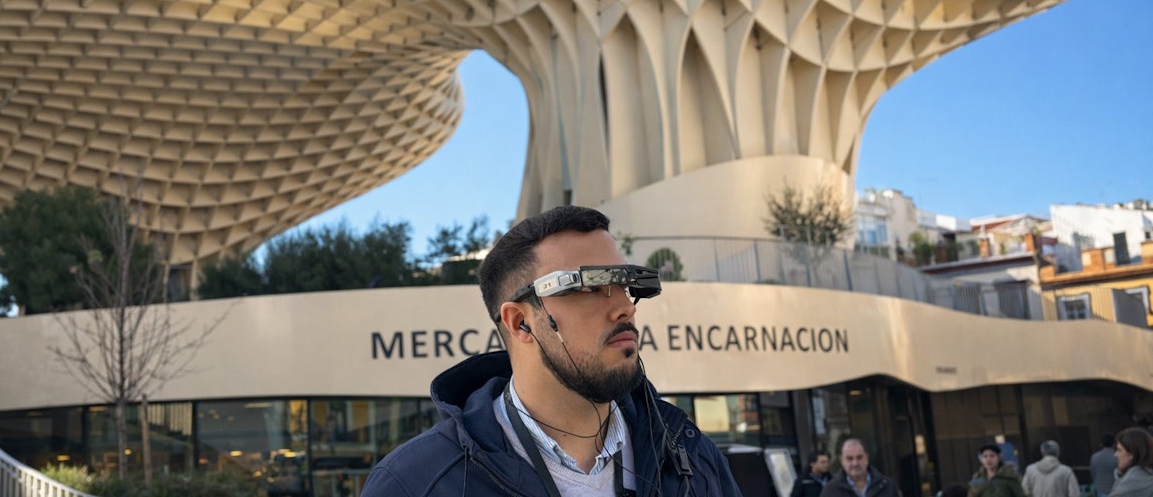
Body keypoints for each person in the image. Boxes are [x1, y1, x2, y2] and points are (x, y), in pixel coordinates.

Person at [362, 205, 744, 496]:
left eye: (626, 285)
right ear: (519, 322)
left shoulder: (690, 457)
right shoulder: (416, 482)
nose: (624, 307)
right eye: (589, 287)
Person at [819, 438, 901, 497]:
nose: (855, 463)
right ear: (841, 460)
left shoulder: (887, 485)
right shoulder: (831, 490)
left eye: (859, 457)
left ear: (867, 458)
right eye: (849, 459)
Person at [1109, 427, 1153, 497]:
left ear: (1132, 454)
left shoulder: (1134, 480)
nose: (1116, 454)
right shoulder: (1147, 473)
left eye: (1119, 450)